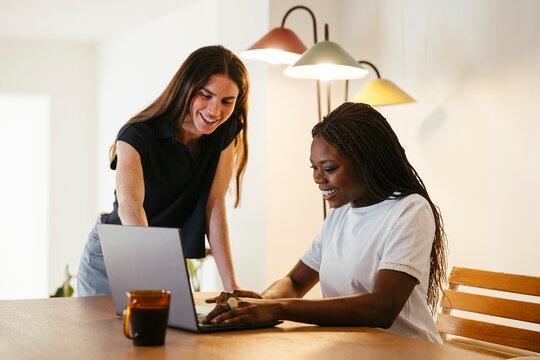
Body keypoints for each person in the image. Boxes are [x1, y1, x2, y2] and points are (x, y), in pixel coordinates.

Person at [203, 102, 448, 343]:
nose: (318, 178)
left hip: (409, 351)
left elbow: (381, 308)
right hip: (354, 349)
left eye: (329, 168)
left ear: (367, 162)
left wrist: (278, 308)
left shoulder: (409, 211)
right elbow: (295, 282)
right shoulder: (340, 213)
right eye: (314, 167)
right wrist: (260, 303)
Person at [78, 45, 249, 296]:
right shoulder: (135, 135)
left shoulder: (225, 131)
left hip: (162, 255)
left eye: (227, 101)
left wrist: (231, 284)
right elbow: (130, 205)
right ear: (186, 87)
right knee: (104, 335)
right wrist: (154, 269)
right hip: (114, 253)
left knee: (171, 335)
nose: (215, 111)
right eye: (206, 95)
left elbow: (214, 204)